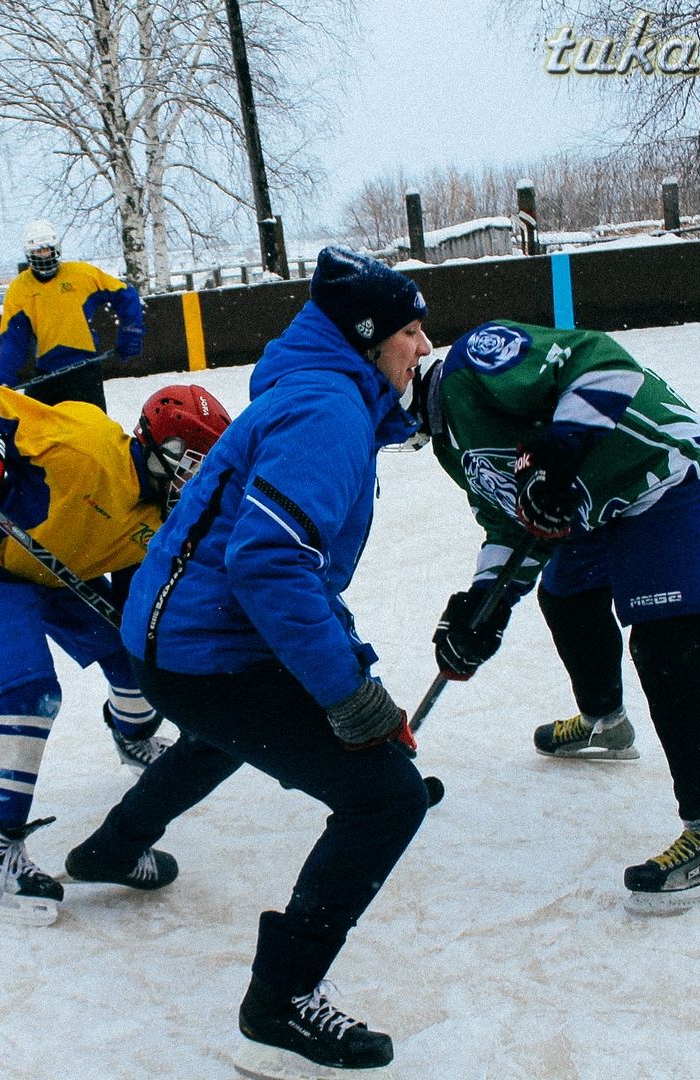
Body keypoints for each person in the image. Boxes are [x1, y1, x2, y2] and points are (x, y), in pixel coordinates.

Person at [62, 247, 432, 1078]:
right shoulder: (328, 414)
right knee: (384, 799)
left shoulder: (317, 395)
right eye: (410, 330)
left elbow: (286, 565)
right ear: (369, 338)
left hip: (178, 643)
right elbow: (269, 564)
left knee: (218, 735)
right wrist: (350, 695)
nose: (421, 346)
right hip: (204, 652)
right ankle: (281, 1002)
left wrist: (355, 674)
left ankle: (113, 850)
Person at [410, 319, 700, 915]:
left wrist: (561, 451)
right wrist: (481, 606)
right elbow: (511, 522)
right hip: (595, 508)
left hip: (665, 479)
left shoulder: (475, 363)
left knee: (668, 646)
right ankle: (605, 723)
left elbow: (603, 362)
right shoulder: (447, 442)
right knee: (564, 596)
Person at [0, 378, 232, 923]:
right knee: (30, 695)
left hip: (58, 577)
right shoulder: (84, 442)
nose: (200, 480)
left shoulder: (164, 516)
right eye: (194, 463)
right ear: (162, 451)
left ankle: (134, 736)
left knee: (138, 653)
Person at [0, 219, 144, 411]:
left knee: (91, 430)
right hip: (46, 372)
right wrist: (5, 376)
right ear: (29, 254)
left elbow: (125, 294)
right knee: (36, 431)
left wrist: (131, 331)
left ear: (56, 249)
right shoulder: (19, 289)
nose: (44, 255)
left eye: (47, 249)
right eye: (38, 251)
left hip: (85, 370)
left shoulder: (81, 275)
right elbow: (14, 339)